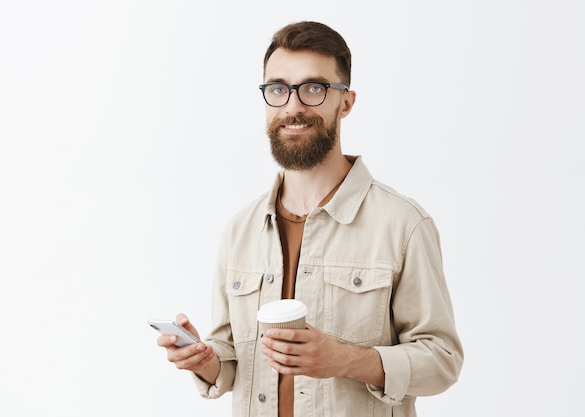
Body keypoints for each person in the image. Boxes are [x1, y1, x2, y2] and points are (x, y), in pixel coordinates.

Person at [156, 20, 464, 417]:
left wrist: (347, 360)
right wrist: (204, 360)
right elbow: (232, 361)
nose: (293, 106)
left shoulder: (403, 225)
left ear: (346, 102)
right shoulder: (240, 230)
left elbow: (443, 361)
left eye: (314, 89)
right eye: (278, 89)